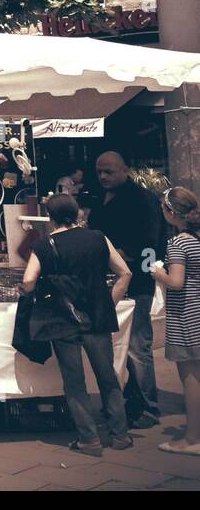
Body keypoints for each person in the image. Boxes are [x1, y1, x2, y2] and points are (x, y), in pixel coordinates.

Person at [22, 193, 133, 455]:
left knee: (74, 382)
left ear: (50, 218)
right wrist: (109, 303)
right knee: (107, 377)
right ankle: (120, 436)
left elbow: (28, 281)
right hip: (97, 318)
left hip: (63, 320)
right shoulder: (97, 237)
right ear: (77, 214)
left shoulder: (44, 244)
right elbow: (125, 273)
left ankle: (88, 439)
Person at [87, 151, 165, 427]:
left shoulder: (143, 199)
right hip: (107, 279)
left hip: (137, 281)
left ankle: (148, 405)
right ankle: (128, 400)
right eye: (99, 172)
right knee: (120, 344)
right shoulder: (100, 199)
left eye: (109, 171)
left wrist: (120, 257)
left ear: (125, 170)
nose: (103, 177)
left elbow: (150, 242)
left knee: (137, 345)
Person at [150, 186, 200, 454]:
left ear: (171, 212)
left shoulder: (178, 243)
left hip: (186, 317)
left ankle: (192, 438)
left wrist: (158, 272)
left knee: (190, 378)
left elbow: (176, 282)